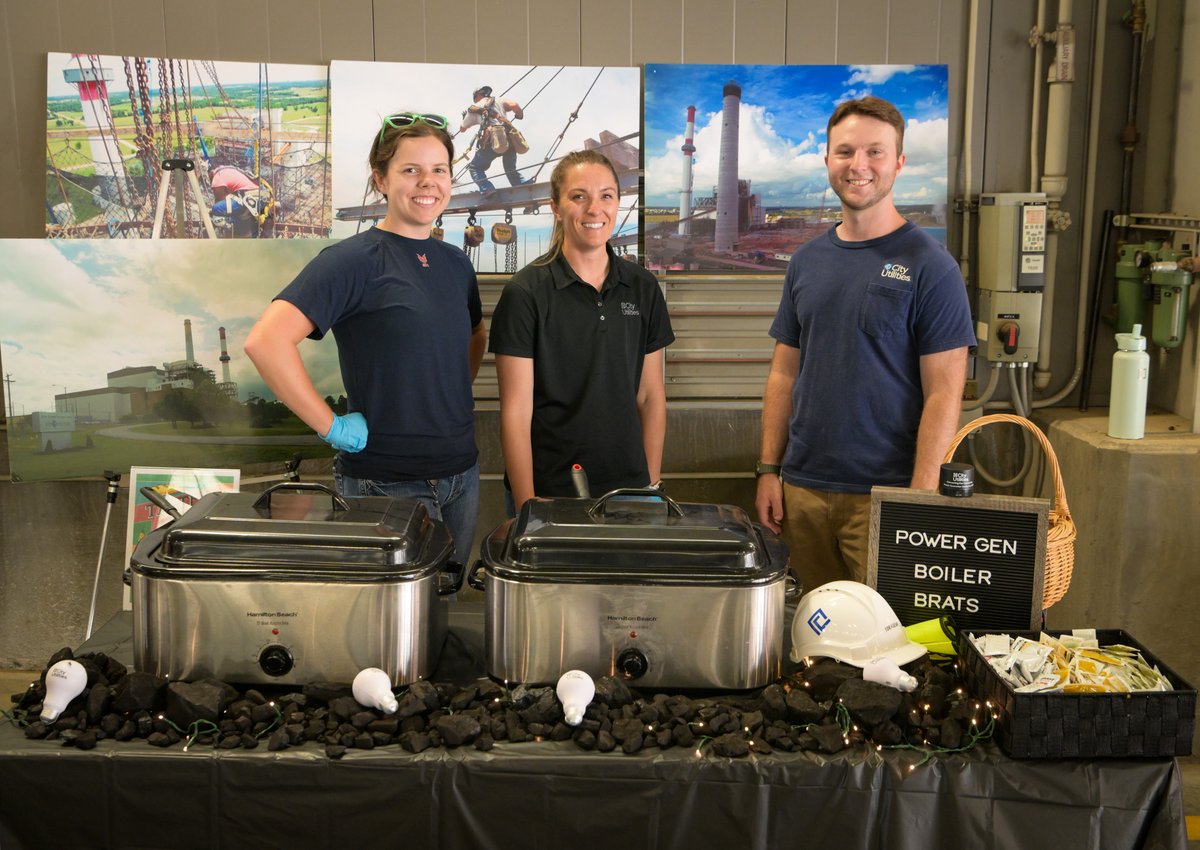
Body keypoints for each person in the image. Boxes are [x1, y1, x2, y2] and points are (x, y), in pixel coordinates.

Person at [244, 112, 486, 566]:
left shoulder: (456, 263)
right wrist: (330, 425)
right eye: (410, 170)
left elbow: (475, 335)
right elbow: (266, 342)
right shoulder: (353, 261)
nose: (427, 182)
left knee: (442, 609)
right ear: (381, 179)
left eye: (439, 170)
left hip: (462, 474)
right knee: (392, 626)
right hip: (386, 482)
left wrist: (443, 392)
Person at [755, 96, 975, 589]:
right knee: (815, 639)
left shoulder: (931, 266)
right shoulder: (807, 261)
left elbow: (945, 393)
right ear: (828, 159)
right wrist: (769, 469)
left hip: (884, 497)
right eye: (846, 151)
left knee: (886, 649)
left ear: (898, 162)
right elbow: (783, 373)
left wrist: (918, 500)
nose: (859, 166)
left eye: (875, 152)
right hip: (802, 491)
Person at [489, 149, 674, 512]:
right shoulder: (526, 293)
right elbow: (516, 411)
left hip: (629, 492)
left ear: (618, 203)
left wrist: (650, 485)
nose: (594, 209)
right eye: (579, 196)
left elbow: (650, 396)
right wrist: (528, 505)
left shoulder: (642, 287)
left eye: (606, 195)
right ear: (556, 207)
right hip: (551, 491)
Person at [459, 85, 531, 192]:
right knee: (510, 169)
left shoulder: (473, 108)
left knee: (475, 168)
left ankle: (488, 189)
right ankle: (524, 188)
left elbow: (462, 128)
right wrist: (519, 114)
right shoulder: (499, 100)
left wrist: (464, 118)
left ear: (477, 96)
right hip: (509, 139)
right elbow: (514, 105)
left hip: (491, 141)